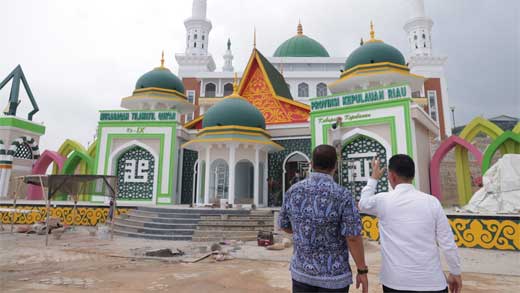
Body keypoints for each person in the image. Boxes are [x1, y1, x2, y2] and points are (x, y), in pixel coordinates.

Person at [359, 154, 462, 293]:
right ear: (412, 176)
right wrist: (455, 272)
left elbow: (363, 204)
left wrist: (373, 178)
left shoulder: (383, 201)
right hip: (432, 282)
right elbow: (447, 242)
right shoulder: (431, 202)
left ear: (392, 176)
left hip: (395, 283)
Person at [278, 144, 368, 293]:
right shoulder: (342, 195)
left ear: (311, 164)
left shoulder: (293, 191)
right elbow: (352, 236)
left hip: (302, 273)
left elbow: (284, 225)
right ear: (335, 166)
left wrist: (305, 231)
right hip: (334, 278)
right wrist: (362, 270)